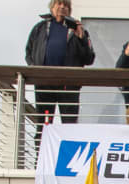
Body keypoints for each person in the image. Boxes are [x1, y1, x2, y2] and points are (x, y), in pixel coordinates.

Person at [25, 0, 95, 148]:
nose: (62, 7)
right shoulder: (40, 28)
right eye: (59, 4)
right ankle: (41, 158)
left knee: (69, 127)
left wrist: (81, 38)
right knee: (43, 126)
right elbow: (29, 52)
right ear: (52, 7)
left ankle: (69, 159)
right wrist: (35, 69)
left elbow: (89, 58)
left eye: (66, 5)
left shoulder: (78, 30)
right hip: (44, 85)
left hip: (68, 87)